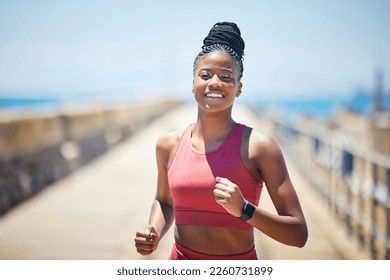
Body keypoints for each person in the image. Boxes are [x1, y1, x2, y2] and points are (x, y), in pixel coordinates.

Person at [134, 22, 308, 260]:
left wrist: (245, 210)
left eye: (226, 77)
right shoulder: (168, 145)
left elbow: (298, 234)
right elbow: (164, 201)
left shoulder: (260, 147)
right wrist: (153, 231)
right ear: (193, 83)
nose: (214, 82)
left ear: (239, 88)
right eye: (205, 75)